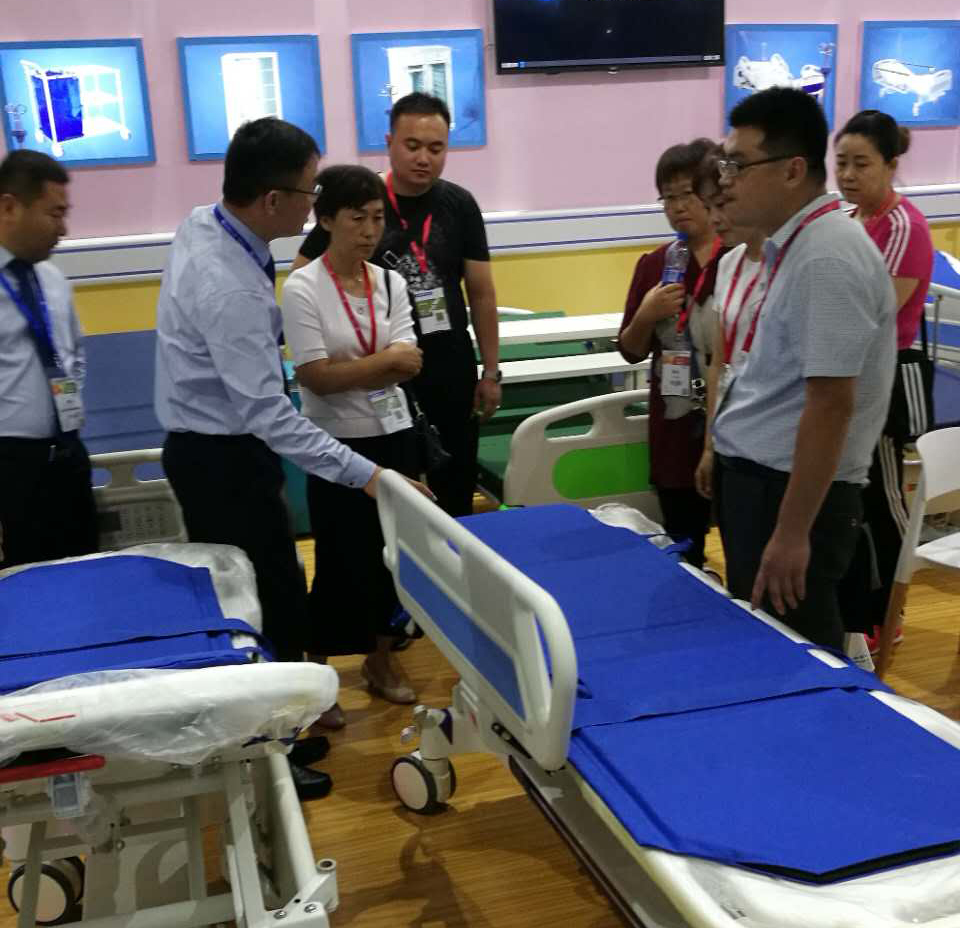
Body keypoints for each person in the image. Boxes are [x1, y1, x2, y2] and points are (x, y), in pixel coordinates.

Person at [155, 118, 389, 801]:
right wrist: (367, 474)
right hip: (221, 459)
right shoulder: (226, 282)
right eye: (311, 192)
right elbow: (269, 415)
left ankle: (276, 734)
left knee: (276, 594)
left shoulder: (209, 224)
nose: (315, 206)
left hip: (220, 450)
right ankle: (265, 758)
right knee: (258, 609)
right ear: (271, 200)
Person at [713, 87, 896, 650]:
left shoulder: (826, 255)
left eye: (738, 165)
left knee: (795, 657)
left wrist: (792, 533)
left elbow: (831, 403)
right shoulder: (792, 247)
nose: (725, 181)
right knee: (767, 647)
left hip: (789, 498)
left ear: (793, 170)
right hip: (762, 486)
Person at [293, 92, 501, 517]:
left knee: (454, 484)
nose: (424, 158)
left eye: (436, 148)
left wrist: (491, 371)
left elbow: (481, 292)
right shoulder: (361, 200)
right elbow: (305, 273)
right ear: (389, 142)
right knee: (392, 496)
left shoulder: (460, 205)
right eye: (412, 145)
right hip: (379, 373)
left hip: (448, 364)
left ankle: (456, 555)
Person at [281, 165, 422, 705]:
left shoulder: (391, 282)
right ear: (325, 220)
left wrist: (363, 368)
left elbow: (412, 360)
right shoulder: (303, 287)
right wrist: (384, 362)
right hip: (336, 443)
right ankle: (317, 673)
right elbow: (314, 377)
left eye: (378, 218)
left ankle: (380, 659)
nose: (369, 230)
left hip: (396, 432)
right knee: (341, 559)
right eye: (356, 218)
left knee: (393, 556)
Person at [834, 110, 934, 653]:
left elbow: (872, 312)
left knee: (883, 497)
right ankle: (856, 607)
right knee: (848, 494)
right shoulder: (848, 219)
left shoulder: (903, 226)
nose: (848, 175)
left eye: (862, 164)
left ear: (891, 165)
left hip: (885, 374)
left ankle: (890, 613)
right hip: (846, 371)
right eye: (841, 163)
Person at [618, 138, 722, 568]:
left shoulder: (739, 258)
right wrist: (647, 314)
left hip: (731, 419)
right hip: (676, 422)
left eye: (688, 194)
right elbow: (630, 350)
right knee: (683, 544)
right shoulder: (656, 265)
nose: (678, 207)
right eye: (668, 197)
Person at [0, 150, 98, 570]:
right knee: (27, 580)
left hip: (68, 454)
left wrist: (67, 408)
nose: (64, 228)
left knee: (85, 568)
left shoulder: (53, 280)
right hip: (12, 465)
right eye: (54, 214)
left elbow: (74, 354)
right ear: (9, 207)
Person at [692, 151, 767, 503]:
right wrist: (710, 445)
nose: (715, 219)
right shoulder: (729, 264)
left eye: (722, 205)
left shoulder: (787, 262)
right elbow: (718, 364)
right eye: (709, 207)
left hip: (771, 440)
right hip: (730, 435)